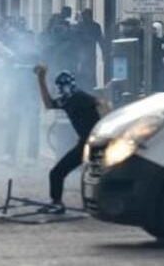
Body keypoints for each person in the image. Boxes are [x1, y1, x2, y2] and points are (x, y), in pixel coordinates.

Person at [33, 65, 101, 214]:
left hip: (95, 143)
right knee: (57, 173)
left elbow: (100, 103)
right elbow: (49, 104)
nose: (62, 90)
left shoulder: (80, 97)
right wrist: (41, 79)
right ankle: (57, 203)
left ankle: (98, 204)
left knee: (96, 174)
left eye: (63, 86)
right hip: (85, 143)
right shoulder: (67, 100)